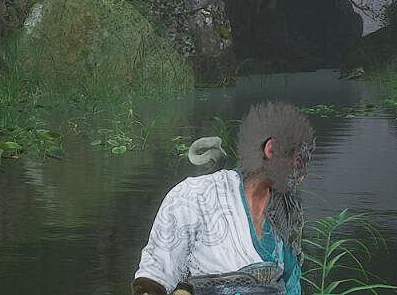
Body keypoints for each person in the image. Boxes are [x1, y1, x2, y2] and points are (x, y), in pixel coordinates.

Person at [132, 101, 315, 295]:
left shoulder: (286, 208)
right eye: (298, 162)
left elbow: (291, 282)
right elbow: (154, 277)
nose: (303, 174)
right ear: (271, 149)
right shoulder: (194, 196)